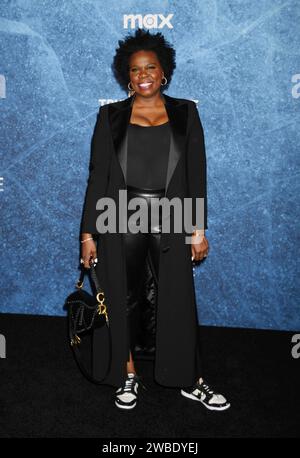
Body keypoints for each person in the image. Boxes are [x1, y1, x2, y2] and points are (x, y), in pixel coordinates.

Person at [80, 28, 230, 411]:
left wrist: (198, 230)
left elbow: (196, 172)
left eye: (150, 67)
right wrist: (88, 234)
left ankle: (189, 378)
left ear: (164, 72)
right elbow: (97, 178)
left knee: (177, 300)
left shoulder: (186, 112)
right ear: (126, 76)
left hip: (172, 215)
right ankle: (127, 373)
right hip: (119, 215)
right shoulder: (109, 116)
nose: (143, 74)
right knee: (120, 299)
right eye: (135, 69)